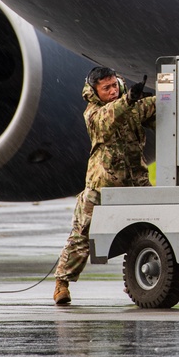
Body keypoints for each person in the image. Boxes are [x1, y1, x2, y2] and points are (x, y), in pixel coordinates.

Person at [53, 67, 156, 305]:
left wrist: (165, 97)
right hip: (103, 182)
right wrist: (129, 100)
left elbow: (159, 111)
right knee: (82, 234)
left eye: (114, 86)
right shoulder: (93, 113)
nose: (112, 91)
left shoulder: (131, 106)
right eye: (106, 88)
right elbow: (105, 121)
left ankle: (138, 278)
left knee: (149, 230)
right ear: (95, 92)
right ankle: (62, 283)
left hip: (136, 180)